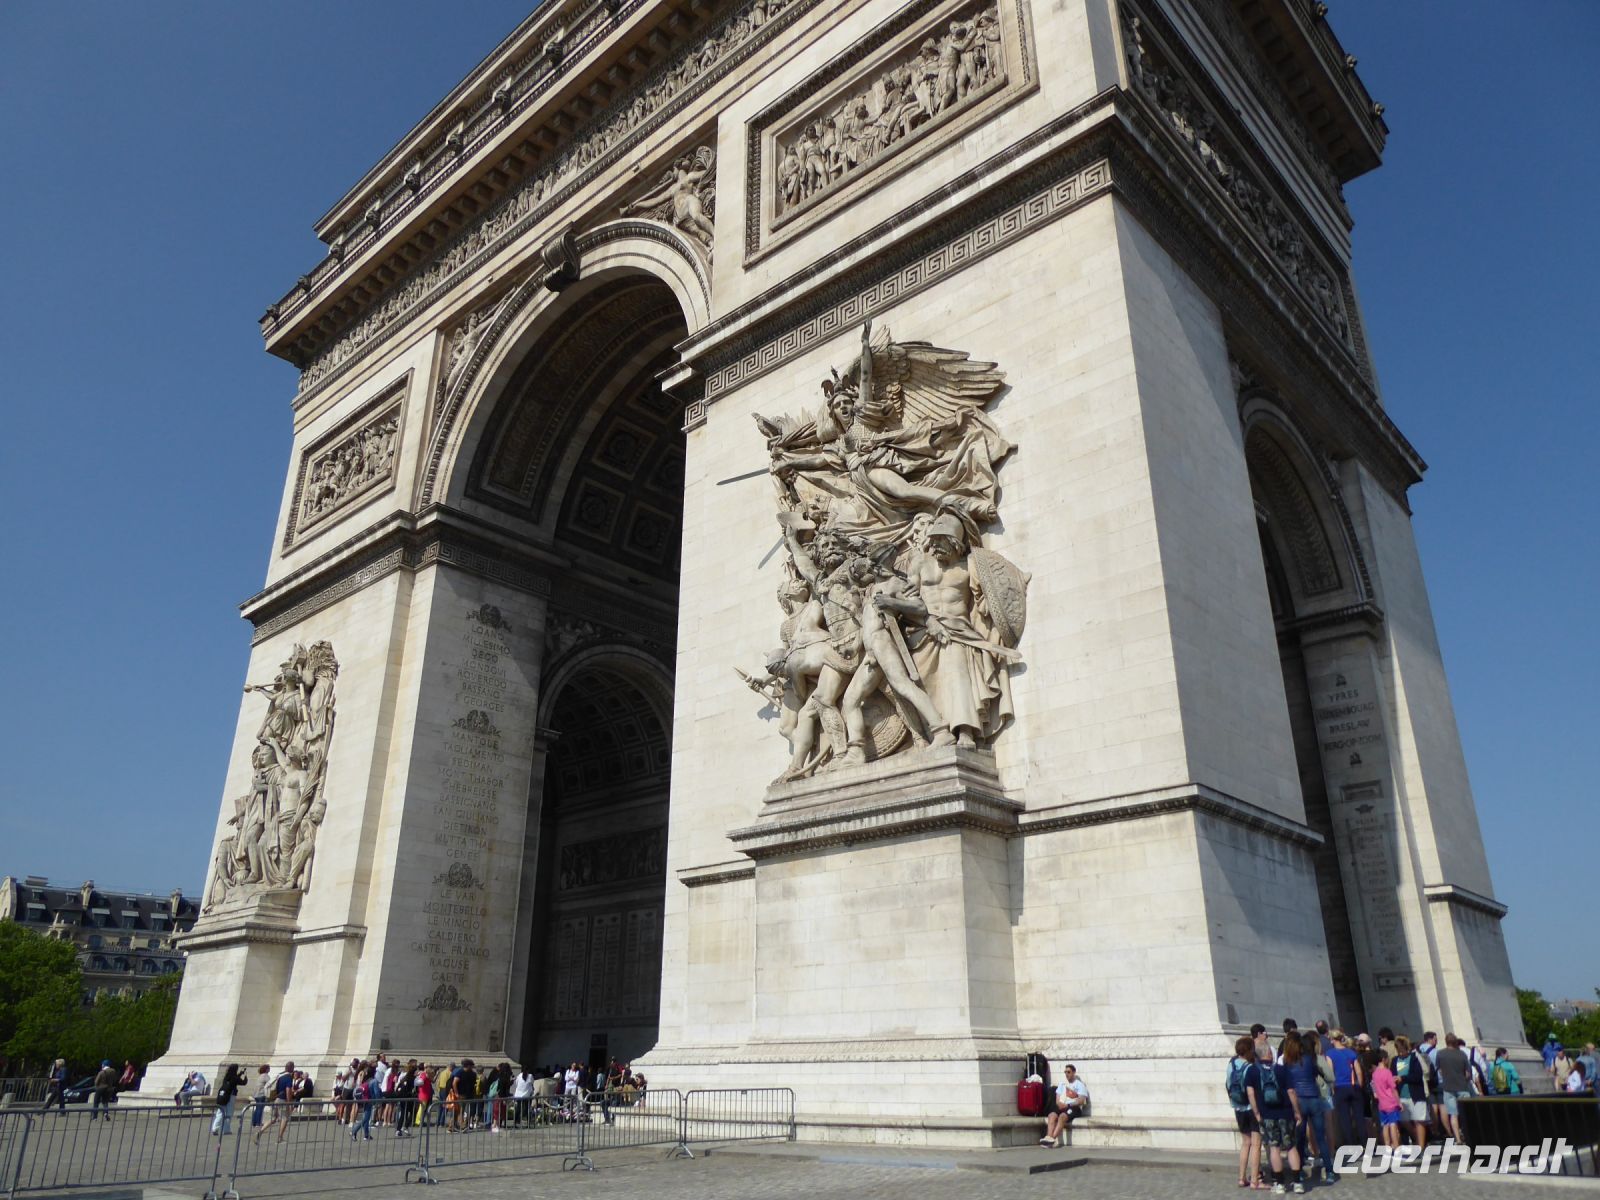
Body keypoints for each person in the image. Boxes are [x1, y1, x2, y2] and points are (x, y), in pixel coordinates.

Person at [1246, 1043, 1304, 1194]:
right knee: (1291, 1147)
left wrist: (1257, 1113)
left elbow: (1251, 1094)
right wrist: (1297, 1111)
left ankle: (1279, 1184)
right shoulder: (1282, 1069)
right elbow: (1291, 1092)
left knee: (1274, 1148)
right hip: (1285, 1113)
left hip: (1267, 1115)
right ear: (1270, 1055)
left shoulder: (1252, 1071)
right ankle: (1298, 1182)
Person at [1286, 1033, 1337, 1184]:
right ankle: (1329, 1171)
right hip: (1314, 1099)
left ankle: (1300, 1170)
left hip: (1300, 1101)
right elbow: (1319, 1074)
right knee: (1321, 1137)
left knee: (1300, 1138)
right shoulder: (1310, 1060)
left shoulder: (1288, 1063)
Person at [1226, 1036, 1263, 1189]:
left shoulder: (1231, 1064)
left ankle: (1241, 1177)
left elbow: (1228, 1084)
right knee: (1256, 1144)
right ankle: (1255, 1179)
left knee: (1245, 1143)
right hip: (1250, 1108)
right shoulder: (1251, 1067)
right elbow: (1253, 1092)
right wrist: (1258, 1112)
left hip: (1237, 1107)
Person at [1326, 1030, 1363, 1150]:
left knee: (1345, 1119)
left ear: (1332, 1040)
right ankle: (1365, 1145)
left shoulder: (1330, 1053)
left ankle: (1351, 1147)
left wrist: (1332, 1089)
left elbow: (1330, 1073)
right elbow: (1358, 1071)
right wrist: (1360, 1085)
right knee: (1359, 1117)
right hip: (1353, 1086)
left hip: (1340, 1087)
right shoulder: (1351, 1052)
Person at [1434, 1034, 1474, 1141]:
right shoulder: (1462, 1054)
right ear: (1456, 1042)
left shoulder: (1440, 1054)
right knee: (1465, 1114)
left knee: (1453, 1114)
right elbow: (1467, 1074)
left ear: (1446, 1042)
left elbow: (1440, 1070)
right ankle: (1469, 1135)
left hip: (1448, 1087)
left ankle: (1458, 1138)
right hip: (1462, 1086)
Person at [1393, 1036, 1429, 1151]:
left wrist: (1402, 1078)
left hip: (1415, 1094)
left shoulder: (1413, 1058)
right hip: (1401, 1095)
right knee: (1404, 1121)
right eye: (1398, 1050)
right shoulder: (1394, 1060)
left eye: (1402, 1049)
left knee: (1419, 1120)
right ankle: (1416, 1139)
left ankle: (1421, 1147)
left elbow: (1417, 1076)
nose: (1400, 1052)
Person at [1038, 1064, 1088, 1147]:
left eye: (1069, 1072)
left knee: (1062, 1117)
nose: (1066, 1074)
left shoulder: (1079, 1085)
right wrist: (1059, 1104)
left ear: (1073, 1072)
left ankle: (1052, 1139)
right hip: (1062, 1106)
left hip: (1073, 1107)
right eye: (1065, 1072)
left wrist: (1068, 1104)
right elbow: (1058, 1097)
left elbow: (1081, 1100)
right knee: (1052, 1115)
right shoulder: (1062, 1084)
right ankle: (1048, 1137)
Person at [1370, 1052, 1403, 1152]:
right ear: (1384, 1059)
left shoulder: (1374, 1074)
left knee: (1385, 1125)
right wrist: (1399, 1102)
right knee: (1393, 1124)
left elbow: (1375, 1090)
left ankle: (1387, 1146)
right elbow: (1393, 1089)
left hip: (1381, 1103)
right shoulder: (1387, 1072)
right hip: (1391, 1102)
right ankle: (1396, 1146)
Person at [212, 1064, 244, 1136]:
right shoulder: (234, 1077)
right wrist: (245, 1076)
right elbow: (243, 1082)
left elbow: (234, 1080)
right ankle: (226, 1129)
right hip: (231, 1096)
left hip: (223, 1095)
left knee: (220, 1112)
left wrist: (239, 1074)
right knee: (229, 1113)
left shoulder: (227, 1076)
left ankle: (215, 1128)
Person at [350, 1069, 375, 1141]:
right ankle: (353, 1132)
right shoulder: (373, 1081)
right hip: (368, 1100)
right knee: (365, 1119)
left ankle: (366, 1135)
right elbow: (375, 1092)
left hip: (364, 1099)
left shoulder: (366, 1081)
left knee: (366, 1119)